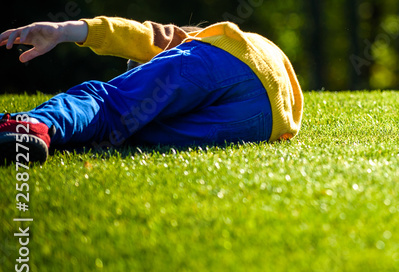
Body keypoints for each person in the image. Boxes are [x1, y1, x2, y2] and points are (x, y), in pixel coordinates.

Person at [0, 16, 303, 165]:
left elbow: (137, 35)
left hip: (235, 56)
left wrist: (64, 30)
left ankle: (31, 125)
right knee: (132, 131)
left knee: (106, 102)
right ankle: (36, 136)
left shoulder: (188, 41)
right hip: (266, 121)